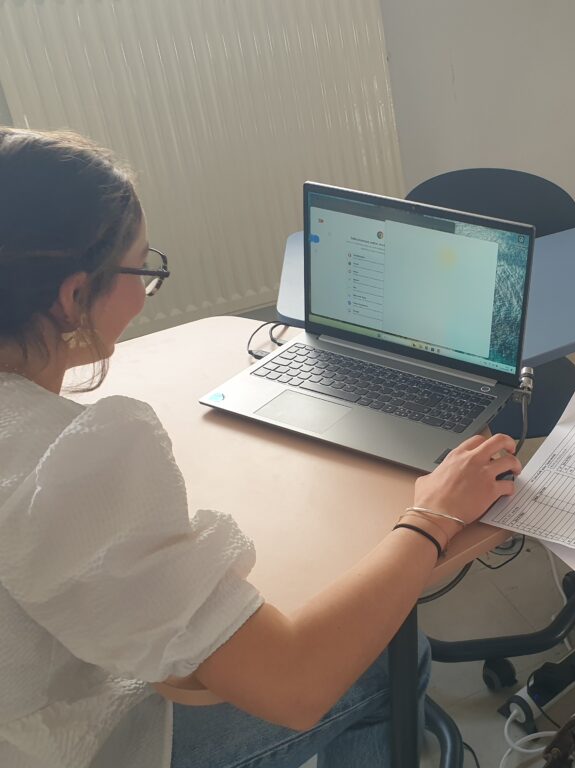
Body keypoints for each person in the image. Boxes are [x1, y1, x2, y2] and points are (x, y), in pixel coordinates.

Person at [0, 126, 522, 768]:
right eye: (142, 269)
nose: (145, 290)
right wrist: (432, 517)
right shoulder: (61, 462)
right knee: (391, 660)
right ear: (73, 297)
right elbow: (294, 684)